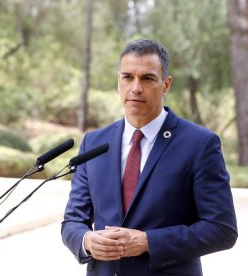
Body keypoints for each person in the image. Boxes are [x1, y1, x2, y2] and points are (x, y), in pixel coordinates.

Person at [61, 39, 238, 276]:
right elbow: (72, 222)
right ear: (118, 82)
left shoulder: (200, 144)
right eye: (127, 77)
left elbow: (222, 229)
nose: (135, 88)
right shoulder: (94, 143)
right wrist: (86, 241)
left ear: (166, 85)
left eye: (147, 78)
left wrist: (148, 242)